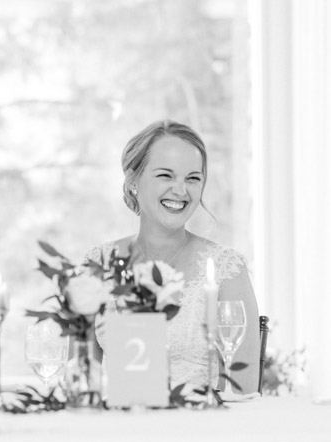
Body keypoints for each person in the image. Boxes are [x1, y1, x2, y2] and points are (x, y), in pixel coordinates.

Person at [87, 120, 260, 394]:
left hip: (204, 433)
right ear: (133, 181)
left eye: (193, 178)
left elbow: (244, 391)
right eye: (166, 175)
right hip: (120, 429)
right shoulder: (100, 263)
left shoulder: (227, 270)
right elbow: (82, 381)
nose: (181, 190)